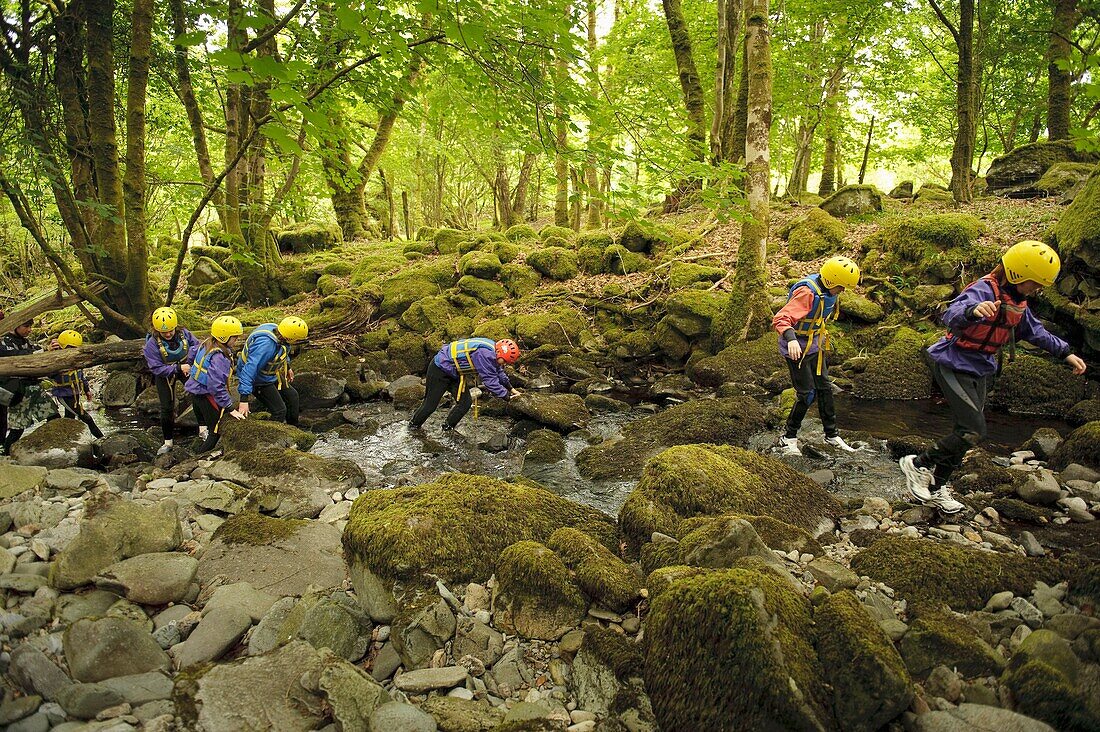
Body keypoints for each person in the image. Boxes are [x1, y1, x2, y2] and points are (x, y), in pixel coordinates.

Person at [899, 240, 1088, 514]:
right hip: (953, 362)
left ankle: (937, 487)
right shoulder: (984, 289)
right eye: (1032, 283)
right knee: (973, 430)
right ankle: (917, 464)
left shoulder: (1019, 302)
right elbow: (951, 313)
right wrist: (973, 311)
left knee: (966, 434)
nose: (1036, 290)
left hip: (981, 368)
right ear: (1015, 273)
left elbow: (1036, 332)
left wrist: (1066, 353)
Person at [773, 256, 862, 456]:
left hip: (814, 345)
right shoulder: (807, 293)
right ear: (831, 281)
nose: (843, 291)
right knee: (806, 394)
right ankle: (788, 438)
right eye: (841, 287)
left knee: (825, 388)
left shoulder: (828, 290)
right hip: (796, 347)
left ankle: (831, 435)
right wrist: (792, 339)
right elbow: (781, 318)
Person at [409, 337, 523, 431]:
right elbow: (490, 381)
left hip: (454, 373)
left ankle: (447, 428)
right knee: (430, 405)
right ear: (499, 352)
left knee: (465, 403)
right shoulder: (485, 354)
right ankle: (413, 427)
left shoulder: (494, 352)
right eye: (505, 361)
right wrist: (507, 397)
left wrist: (511, 389)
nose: (505, 364)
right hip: (439, 369)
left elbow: (499, 372)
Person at [185, 315, 244, 453]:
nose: (236, 340)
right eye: (234, 337)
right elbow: (216, 386)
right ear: (224, 337)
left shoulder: (206, 342)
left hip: (195, 391)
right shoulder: (219, 358)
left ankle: (201, 440)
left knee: (206, 424)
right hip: (205, 395)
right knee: (215, 432)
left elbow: (192, 353)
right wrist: (230, 408)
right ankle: (198, 458)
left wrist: (190, 365)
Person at [143, 307, 198, 455]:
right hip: (165, 373)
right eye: (164, 332)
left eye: (170, 331)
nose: (168, 334)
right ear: (156, 329)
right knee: (167, 407)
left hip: (186, 366)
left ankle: (204, 429)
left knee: (199, 395)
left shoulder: (184, 334)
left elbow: (197, 346)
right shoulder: (152, 345)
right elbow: (156, 368)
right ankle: (168, 442)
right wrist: (178, 368)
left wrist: (190, 363)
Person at [236, 316, 308, 425]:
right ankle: (270, 439)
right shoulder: (265, 345)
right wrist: (244, 400)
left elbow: (282, 352)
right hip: (258, 380)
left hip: (271, 376)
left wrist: (287, 368)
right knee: (280, 411)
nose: (298, 341)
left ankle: (294, 430)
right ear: (291, 337)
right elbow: (249, 370)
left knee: (293, 397)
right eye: (297, 339)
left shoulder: (280, 333)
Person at [0, 321, 55, 453]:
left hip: (36, 389)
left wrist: (51, 349)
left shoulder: (27, 341)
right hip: (19, 391)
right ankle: (6, 454)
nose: (29, 330)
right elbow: (16, 356)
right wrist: (43, 351)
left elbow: (37, 351)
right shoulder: (5, 342)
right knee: (17, 430)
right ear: (15, 326)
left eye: (30, 326)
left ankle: (52, 447)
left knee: (53, 416)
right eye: (26, 326)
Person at [46, 330, 104, 439]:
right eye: (69, 348)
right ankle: (102, 438)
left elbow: (81, 376)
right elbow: (50, 374)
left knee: (70, 418)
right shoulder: (57, 359)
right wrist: (51, 354)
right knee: (87, 418)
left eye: (74, 348)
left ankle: (68, 440)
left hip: (75, 394)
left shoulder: (77, 359)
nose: (72, 351)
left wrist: (87, 390)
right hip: (64, 395)